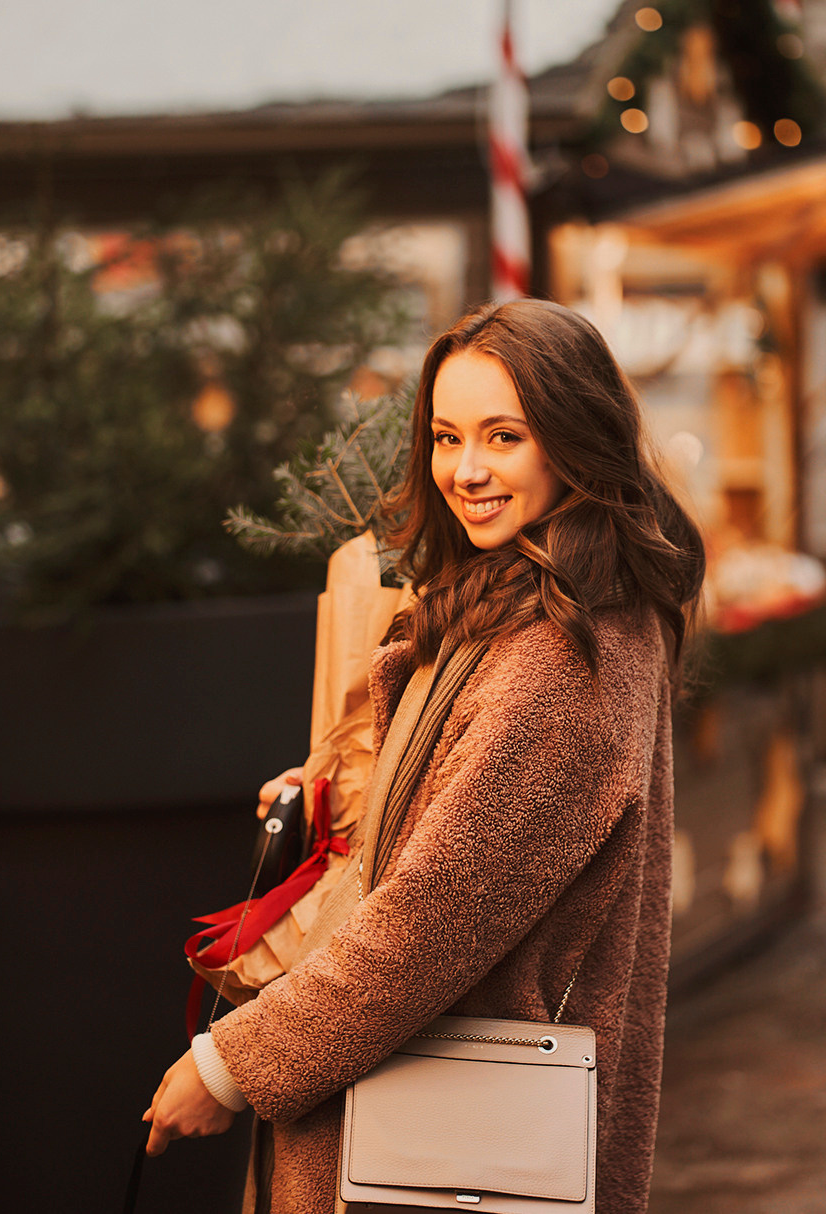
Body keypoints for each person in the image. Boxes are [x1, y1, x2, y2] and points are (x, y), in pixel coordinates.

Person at [144, 298, 705, 1214]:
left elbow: (429, 925)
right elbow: (477, 840)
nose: (467, 470)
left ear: (574, 439)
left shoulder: (566, 651)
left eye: (503, 436)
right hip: (433, 1124)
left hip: (452, 1144)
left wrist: (228, 1067)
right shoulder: (525, 598)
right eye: (446, 437)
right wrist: (357, 793)